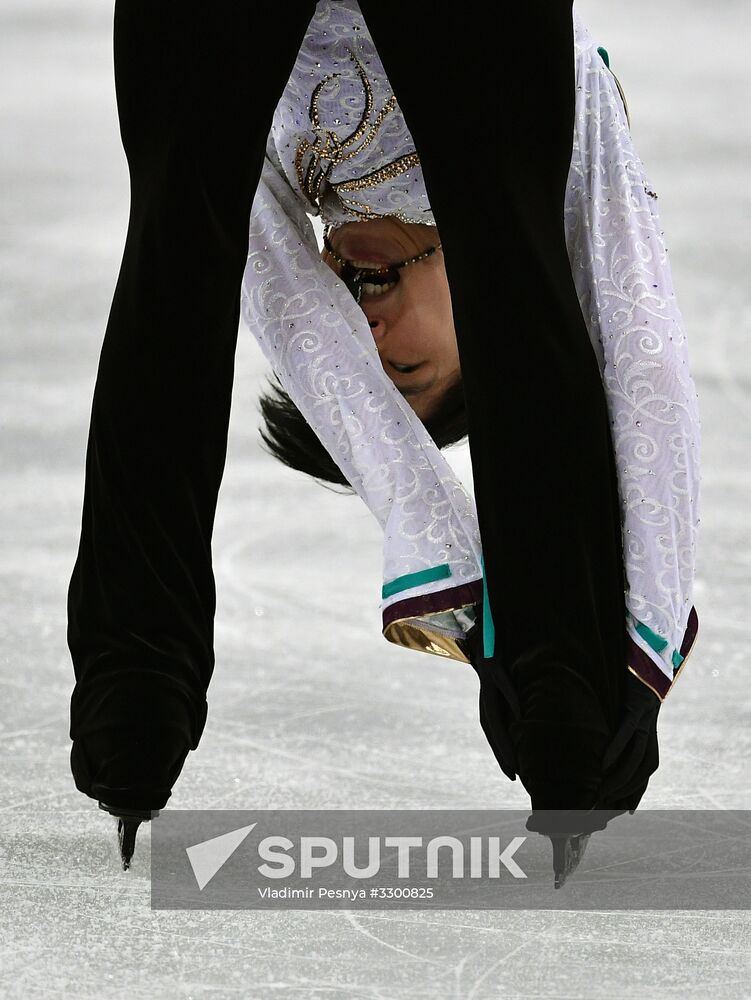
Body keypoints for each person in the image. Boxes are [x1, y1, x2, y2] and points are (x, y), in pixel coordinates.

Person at [67, 0, 699, 877]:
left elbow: (206, 285)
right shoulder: (553, 172)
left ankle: (133, 702)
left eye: (364, 377)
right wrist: (603, 667)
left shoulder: (286, 194)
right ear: (475, 357)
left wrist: (133, 701)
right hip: (480, 83)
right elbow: (642, 357)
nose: (362, 342)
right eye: (403, 375)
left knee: (177, 232)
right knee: (513, 257)